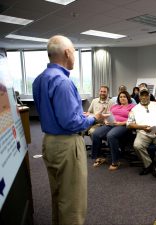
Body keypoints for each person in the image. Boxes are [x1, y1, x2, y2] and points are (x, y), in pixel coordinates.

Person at [32, 35, 103, 225]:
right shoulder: (63, 81)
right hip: (67, 145)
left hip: (49, 142)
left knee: (58, 195)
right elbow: (71, 123)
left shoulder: (39, 80)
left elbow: (56, 114)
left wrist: (81, 115)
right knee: (72, 202)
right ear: (67, 52)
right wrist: (93, 118)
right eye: (74, 51)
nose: (74, 56)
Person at [127, 87, 156, 177]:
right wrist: (141, 127)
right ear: (139, 97)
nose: (144, 97)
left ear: (149, 96)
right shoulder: (134, 109)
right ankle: (149, 165)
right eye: (142, 95)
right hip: (143, 133)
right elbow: (129, 124)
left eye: (146, 95)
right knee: (137, 145)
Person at [91, 91, 135, 170]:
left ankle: (115, 161)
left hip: (123, 125)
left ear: (128, 98)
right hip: (111, 124)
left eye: (124, 97)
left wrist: (121, 123)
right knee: (96, 133)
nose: (122, 98)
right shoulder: (114, 106)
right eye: (120, 97)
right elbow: (108, 115)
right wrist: (105, 121)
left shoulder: (132, 107)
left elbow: (133, 120)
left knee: (111, 135)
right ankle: (99, 157)